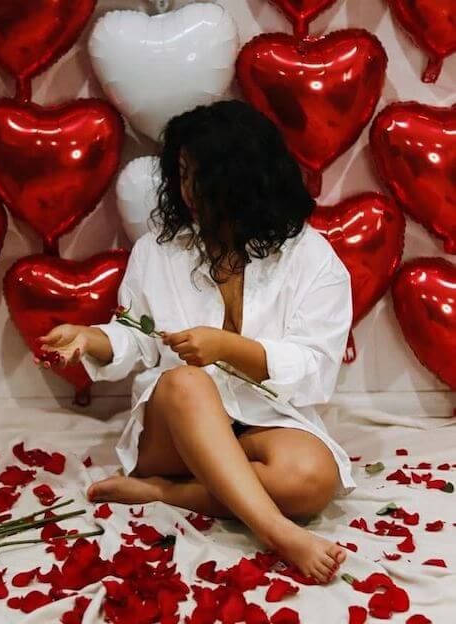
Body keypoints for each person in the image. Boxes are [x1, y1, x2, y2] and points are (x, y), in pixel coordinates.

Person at [38, 100, 355, 584]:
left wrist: (228, 348)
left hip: (261, 421)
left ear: (248, 178)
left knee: (311, 481)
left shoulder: (310, 256)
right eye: (182, 174)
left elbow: (317, 367)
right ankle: (277, 532)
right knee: (186, 383)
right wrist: (90, 338)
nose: (188, 191)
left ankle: (168, 493)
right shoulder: (157, 252)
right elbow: (135, 337)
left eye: (202, 177)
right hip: (171, 430)